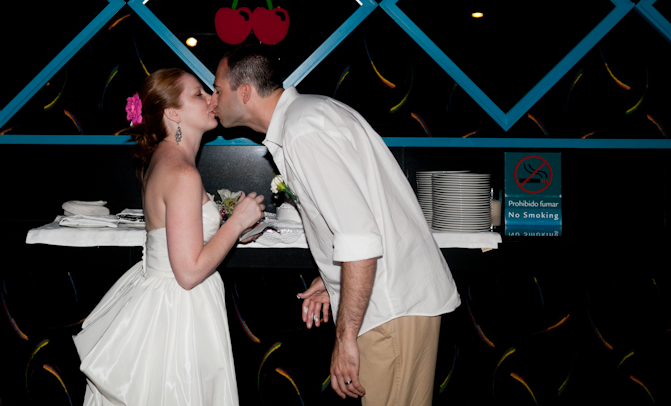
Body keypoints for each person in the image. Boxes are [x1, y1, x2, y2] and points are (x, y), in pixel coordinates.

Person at [210, 48, 460, 406]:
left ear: (245, 92)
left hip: (389, 308)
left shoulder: (303, 131)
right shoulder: (308, 115)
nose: (213, 100)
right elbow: (357, 219)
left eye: (218, 90)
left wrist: (345, 339)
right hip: (395, 300)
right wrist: (336, 280)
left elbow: (360, 238)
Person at [73, 68, 265, 406]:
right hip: (180, 310)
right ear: (172, 113)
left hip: (162, 298)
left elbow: (181, 240)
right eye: (198, 94)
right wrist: (236, 223)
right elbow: (188, 272)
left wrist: (226, 231)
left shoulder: (163, 159)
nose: (212, 99)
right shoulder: (182, 172)